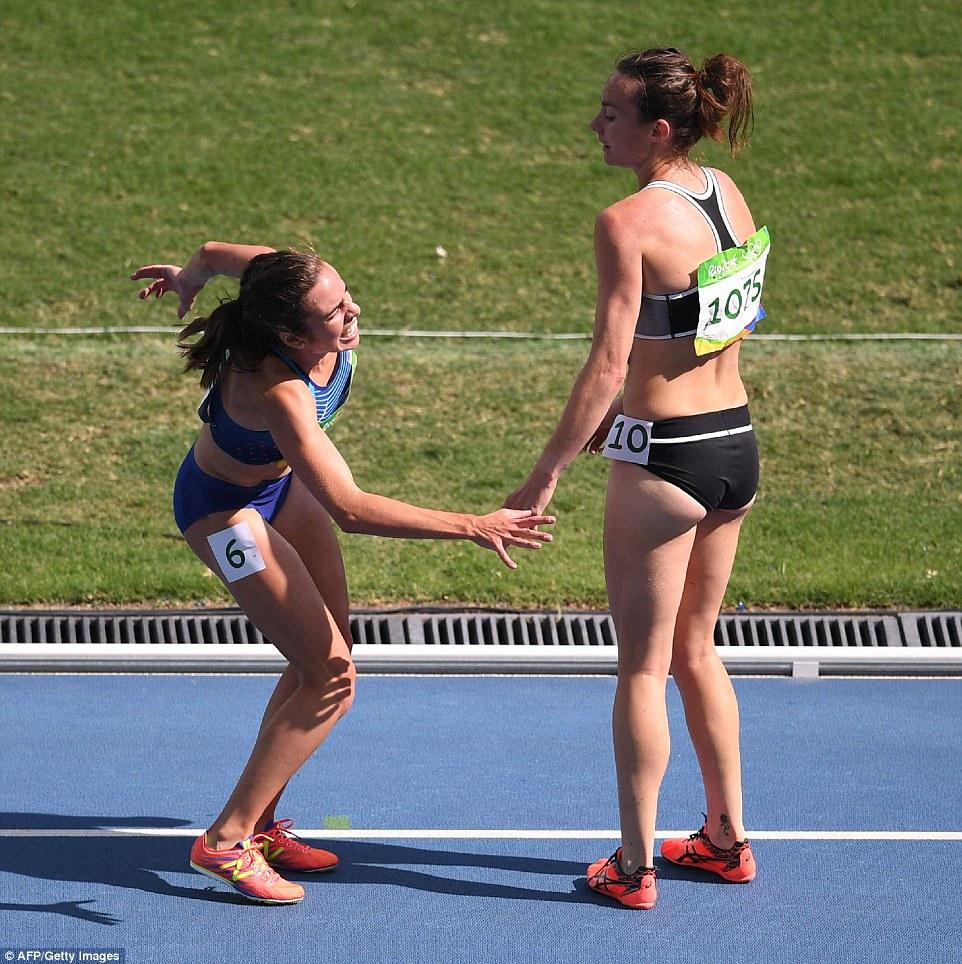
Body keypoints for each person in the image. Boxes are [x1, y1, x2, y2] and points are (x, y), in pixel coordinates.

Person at [132, 242, 554, 905]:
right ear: (292, 336)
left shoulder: (287, 284)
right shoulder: (280, 392)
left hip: (278, 487)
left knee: (326, 655)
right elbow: (351, 510)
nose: (352, 309)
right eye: (334, 312)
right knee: (332, 678)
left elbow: (216, 252)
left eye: (345, 293)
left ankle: (259, 824)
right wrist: (475, 524)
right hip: (222, 513)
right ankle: (226, 840)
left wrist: (190, 275)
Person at [505, 48, 766, 909]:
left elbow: (609, 361)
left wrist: (544, 473)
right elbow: (729, 319)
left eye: (610, 113)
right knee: (699, 649)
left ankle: (632, 865)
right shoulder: (726, 192)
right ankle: (726, 840)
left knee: (643, 669)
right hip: (734, 446)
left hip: (665, 459)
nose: (595, 124)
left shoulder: (626, 222)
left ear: (657, 128)